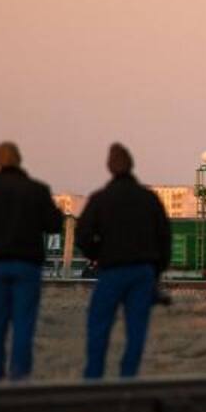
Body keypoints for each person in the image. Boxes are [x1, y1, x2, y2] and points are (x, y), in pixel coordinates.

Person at [0, 142, 63, 381]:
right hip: (27, 266)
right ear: (19, 159)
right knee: (23, 325)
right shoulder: (37, 190)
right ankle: (19, 377)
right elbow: (54, 225)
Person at [76, 143, 171, 379]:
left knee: (99, 326)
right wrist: (156, 271)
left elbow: (82, 236)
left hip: (111, 270)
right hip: (142, 273)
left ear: (109, 166)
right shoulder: (148, 199)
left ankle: (94, 379)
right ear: (132, 165)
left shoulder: (100, 199)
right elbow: (164, 238)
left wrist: (97, 255)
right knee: (136, 331)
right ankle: (128, 380)